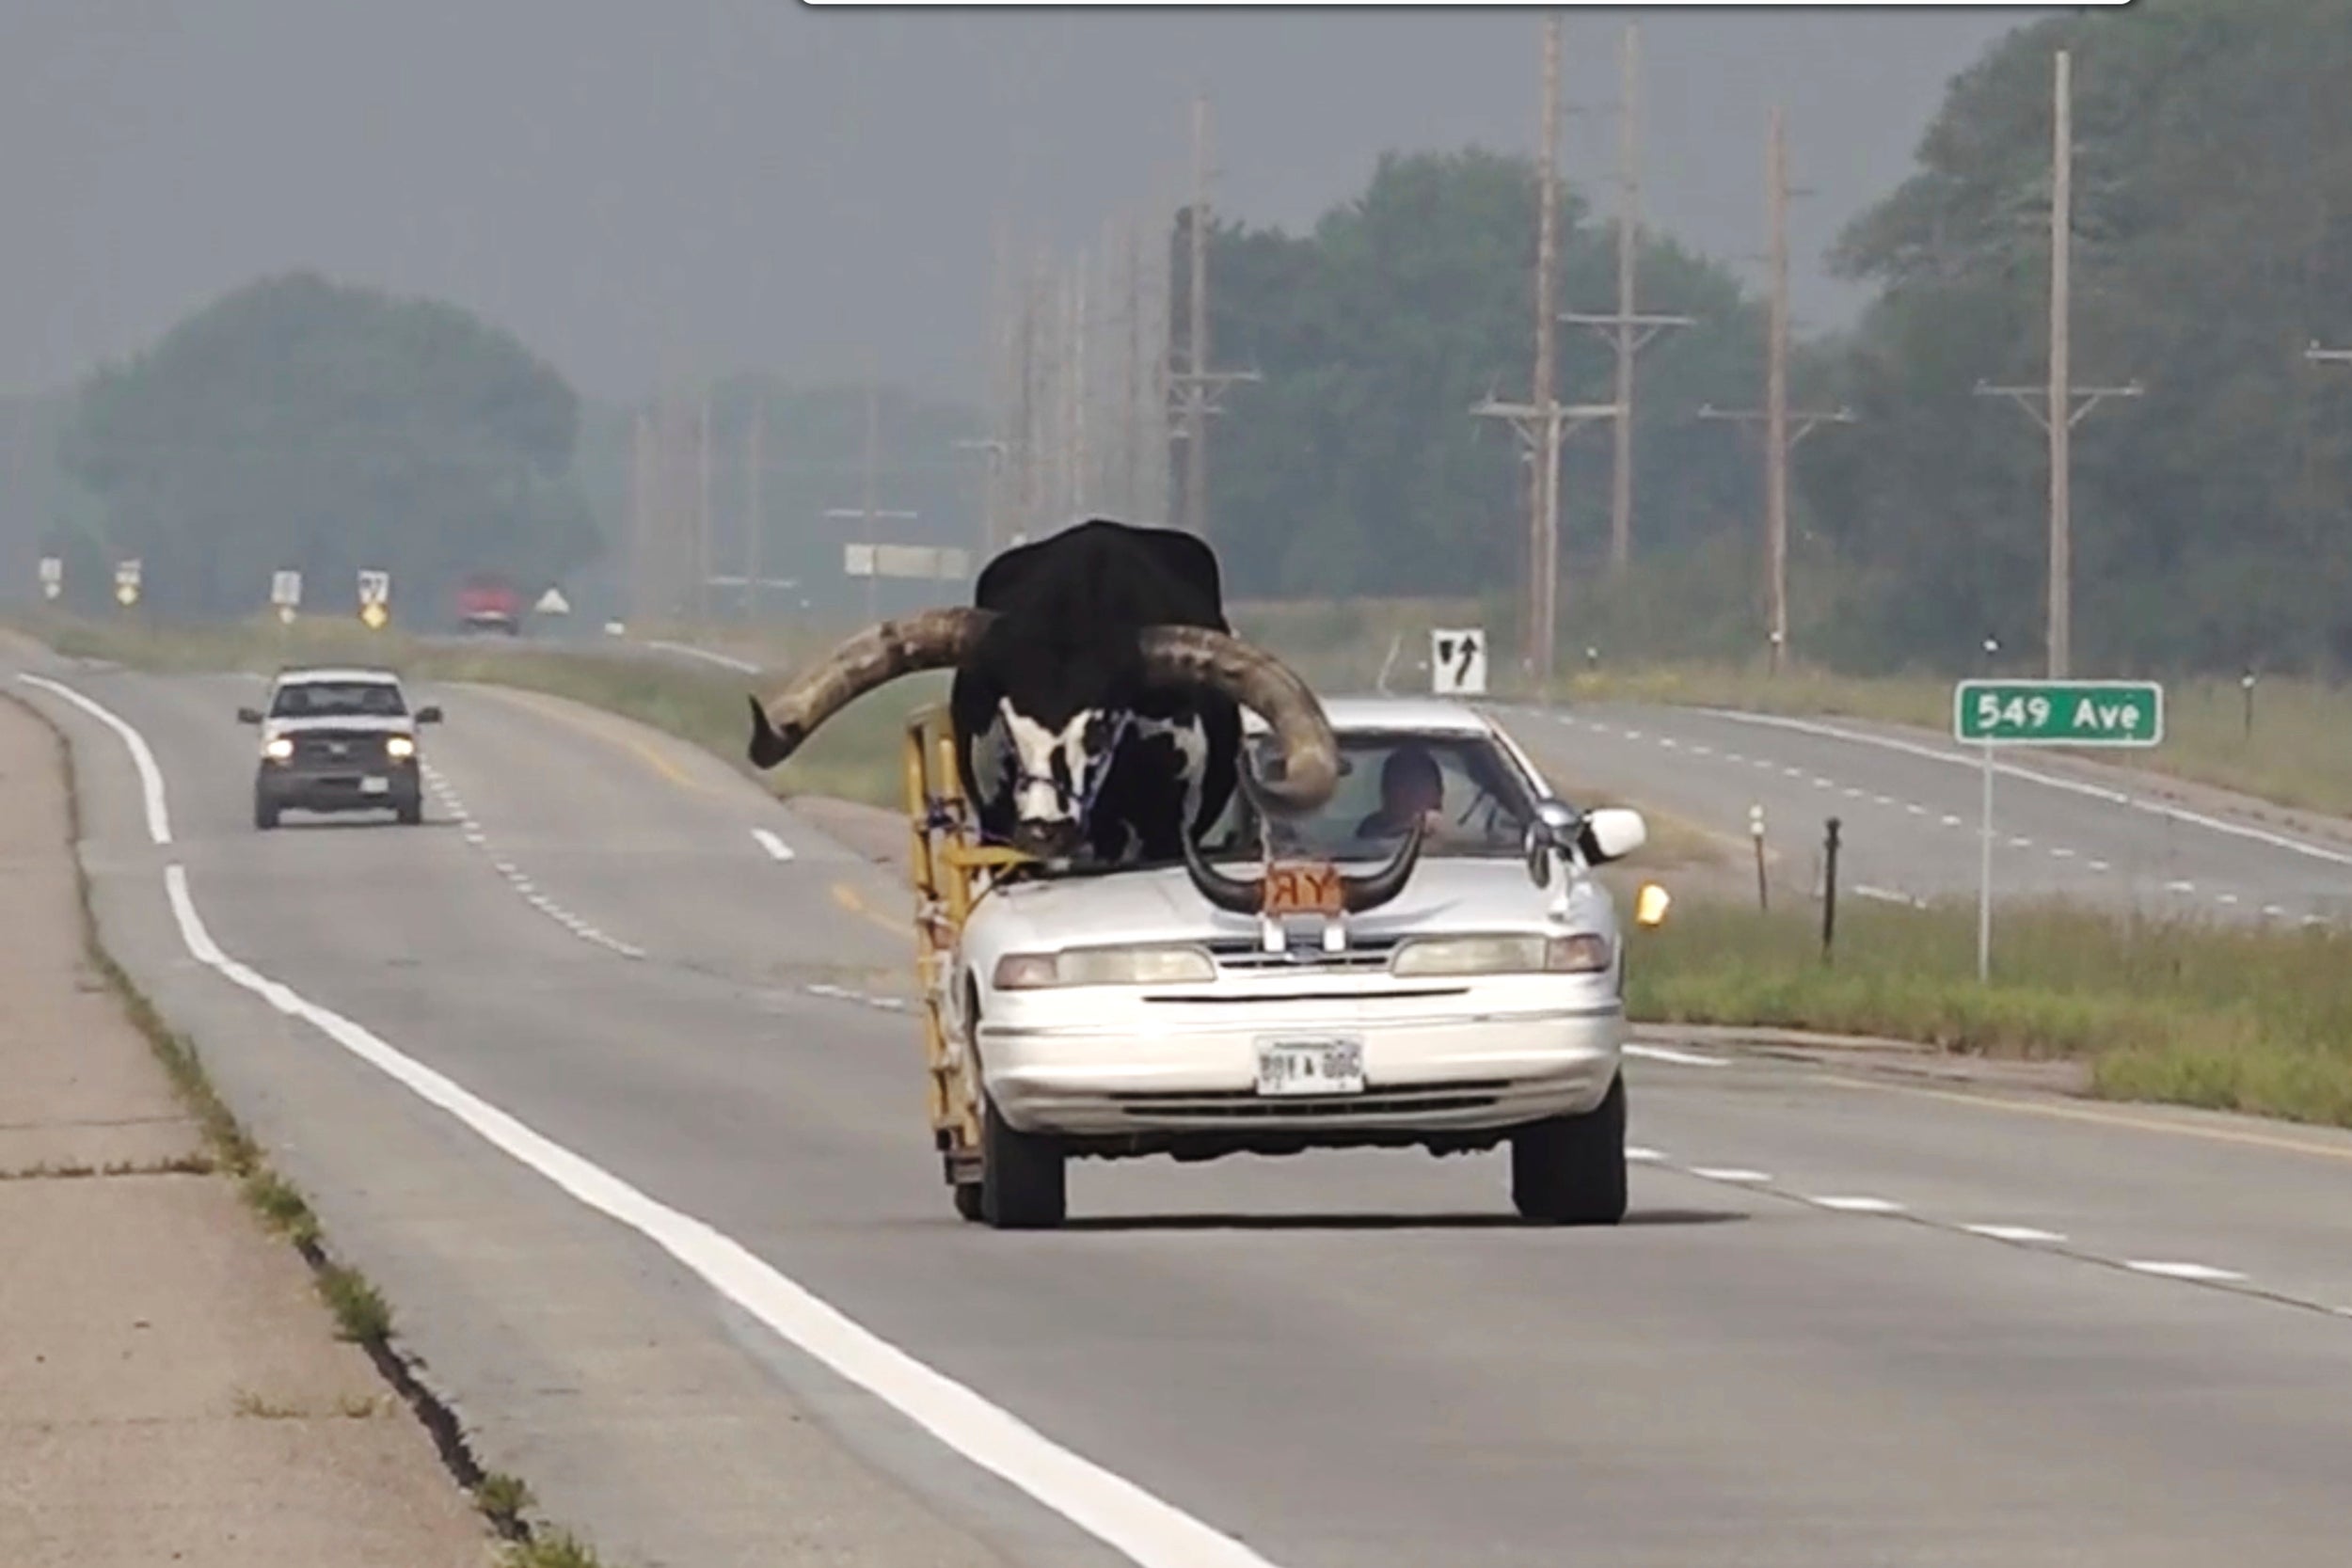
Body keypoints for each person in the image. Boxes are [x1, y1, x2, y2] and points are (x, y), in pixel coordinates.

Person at [1355, 744, 1444, 839]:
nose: (1409, 795)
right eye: (1400, 783)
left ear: (1439, 793)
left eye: (1418, 784)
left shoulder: (1450, 835)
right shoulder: (1368, 833)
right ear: (1386, 792)